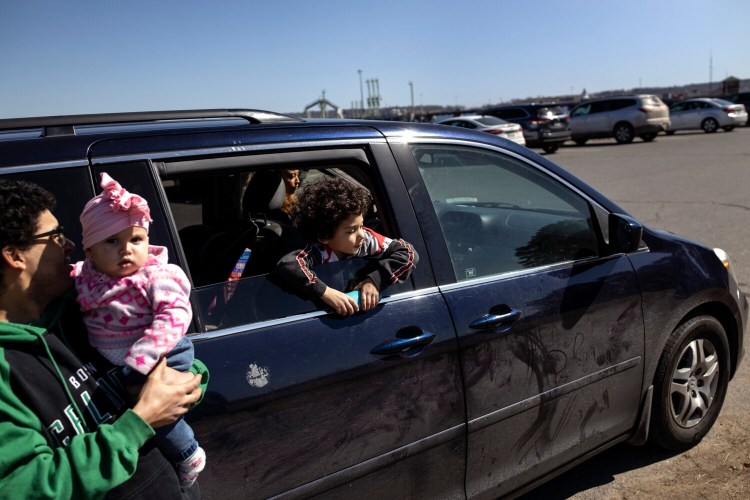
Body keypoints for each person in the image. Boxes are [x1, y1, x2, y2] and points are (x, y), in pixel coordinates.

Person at [0, 178, 207, 499]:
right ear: (14, 256)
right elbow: (23, 487)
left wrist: (187, 384)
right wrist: (140, 421)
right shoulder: (6, 368)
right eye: (54, 236)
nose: (69, 244)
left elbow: (186, 364)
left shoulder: (85, 305)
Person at [70, 173, 206, 488]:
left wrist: (145, 355)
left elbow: (175, 315)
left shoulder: (156, 276)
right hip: (121, 360)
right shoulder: (86, 276)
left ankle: (189, 454)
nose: (126, 250)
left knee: (152, 408)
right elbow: (73, 278)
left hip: (162, 353)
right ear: (89, 251)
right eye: (112, 241)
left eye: (136, 240)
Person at [275, 177, 418, 316]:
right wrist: (326, 293)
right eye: (351, 230)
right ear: (324, 236)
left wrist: (375, 281)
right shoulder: (317, 251)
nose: (361, 234)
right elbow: (289, 265)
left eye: (361, 226)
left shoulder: (367, 241)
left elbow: (408, 252)